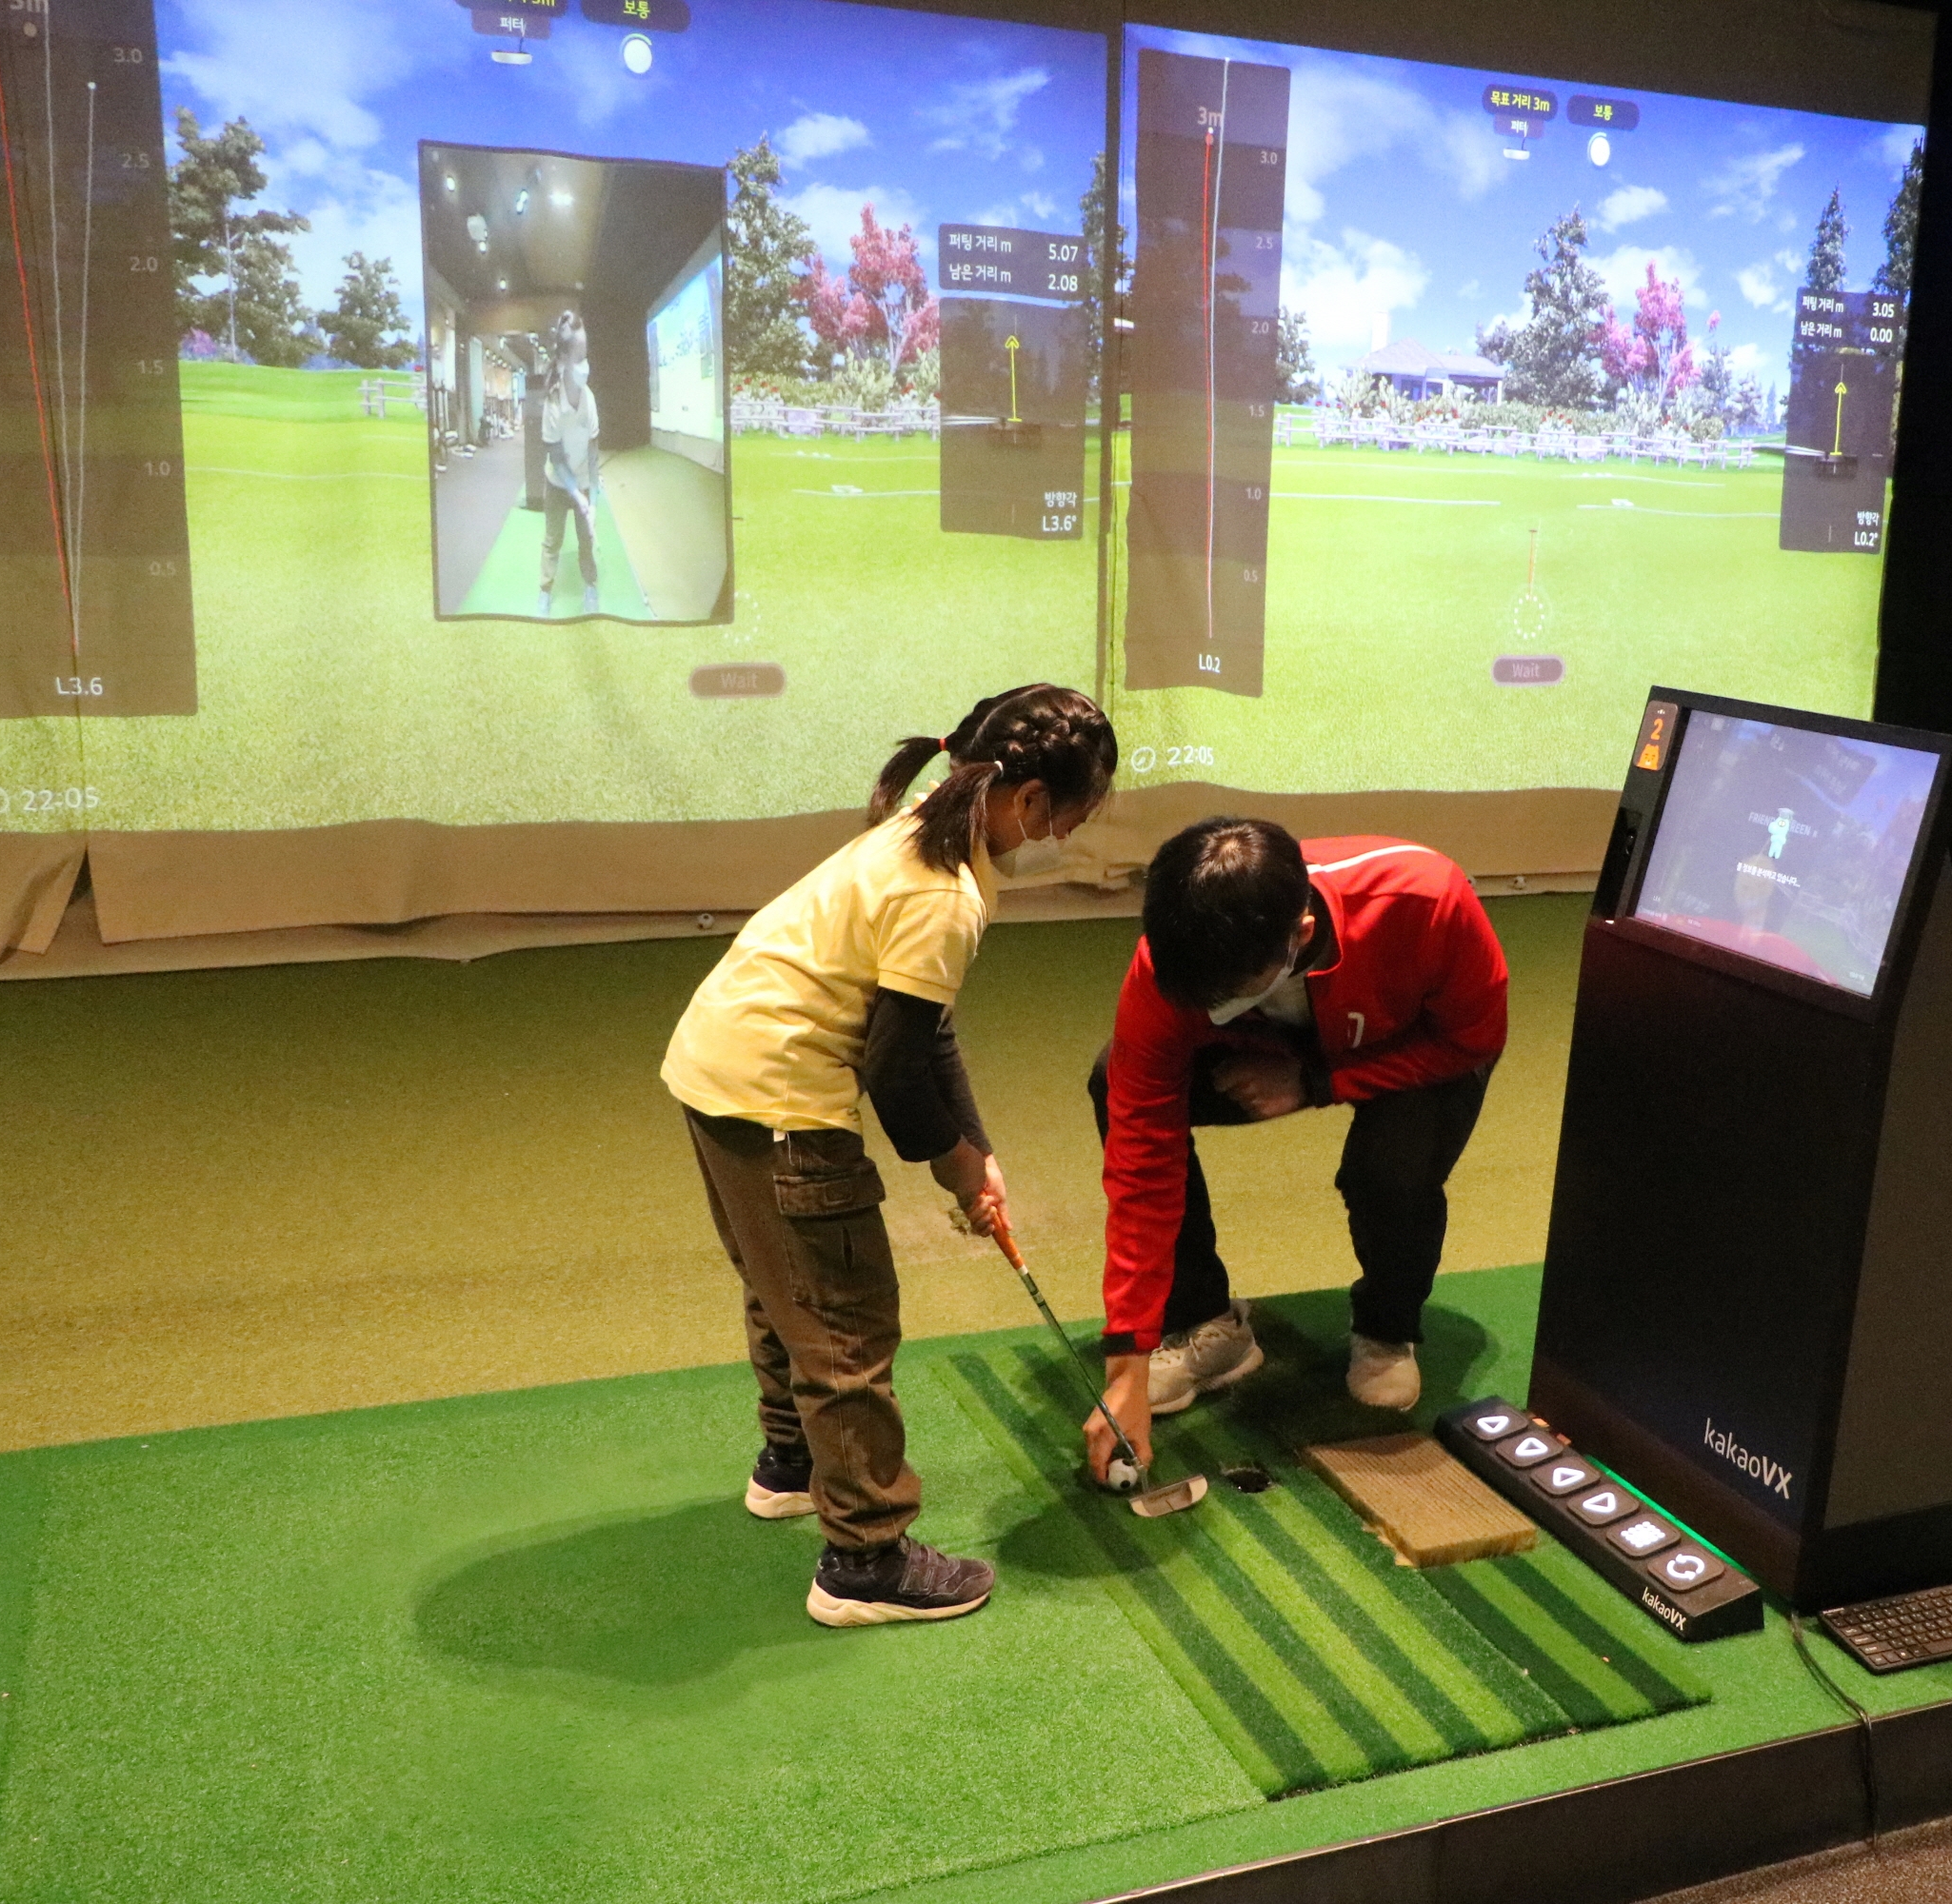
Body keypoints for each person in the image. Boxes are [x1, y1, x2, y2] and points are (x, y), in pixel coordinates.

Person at [663, 685, 1116, 1623]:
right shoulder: (941, 893)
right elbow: (897, 1073)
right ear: (1031, 798)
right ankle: (863, 1559)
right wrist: (954, 1167)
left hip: (719, 1065)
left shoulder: (929, 828)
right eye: (1077, 811)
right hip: (778, 1092)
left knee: (783, 1285)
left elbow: (925, 1028)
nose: (1073, 831)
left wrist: (977, 1153)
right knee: (845, 1320)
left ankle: (792, 1464)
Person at [1085, 821, 1508, 1482]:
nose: (1203, 1006)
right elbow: (1143, 1166)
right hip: (1273, 1040)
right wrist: (1126, 1369)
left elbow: (1471, 1040)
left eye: (1222, 996)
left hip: (1416, 1044)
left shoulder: (1427, 902)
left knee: (1389, 1170)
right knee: (1111, 1081)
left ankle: (1387, 1329)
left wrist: (1318, 1083)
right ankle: (1208, 1328)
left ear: (1301, 935)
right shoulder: (1171, 970)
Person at [539, 311, 602, 618]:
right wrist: (577, 495)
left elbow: (593, 454)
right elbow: (557, 459)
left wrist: (594, 501)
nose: (584, 365)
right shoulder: (552, 404)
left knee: (586, 539)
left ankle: (590, 585)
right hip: (557, 481)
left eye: (585, 357)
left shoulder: (589, 400)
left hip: (583, 479)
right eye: (578, 358)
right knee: (553, 541)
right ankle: (545, 590)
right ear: (563, 359)